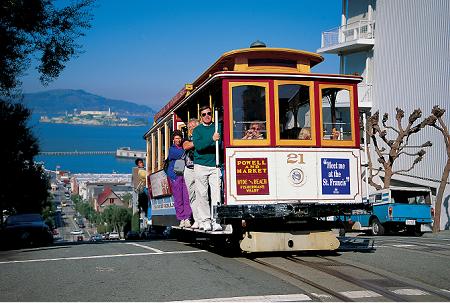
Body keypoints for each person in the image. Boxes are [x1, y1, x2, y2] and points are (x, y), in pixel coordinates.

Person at [192, 105, 222, 231]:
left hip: (215, 166)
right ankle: (205, 221)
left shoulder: (217, 127)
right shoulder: (197, 130)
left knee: (216, 194)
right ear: (201, 116)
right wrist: (211, 139)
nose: (207, 116)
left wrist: (213, 141)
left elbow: (219, 143)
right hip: (200, 166)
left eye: (209, 113)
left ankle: (216, 220)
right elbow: (199, 146)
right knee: (202, 194)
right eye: (204, 114)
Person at [167, 130, 192, 228]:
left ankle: (187, 218)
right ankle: (181, 218)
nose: (178, 140)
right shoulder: (172, 150)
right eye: (176, 138)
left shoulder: (183, 147)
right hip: (175, 175)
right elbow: (182, 154)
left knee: (187, 197)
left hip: (184, 174)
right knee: (178, 199)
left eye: (179, 138)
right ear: (173, 139)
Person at [182, 118, 200, 229]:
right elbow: (186, 146)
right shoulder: (187, 138)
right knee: (192, 195)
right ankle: (197, 219)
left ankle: (204, 219)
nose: (192, 129)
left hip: (200, 167)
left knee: (202, 195)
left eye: (194, 127)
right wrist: (198, 142)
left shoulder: (201, 136)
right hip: (189, 169)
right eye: (190, 127)